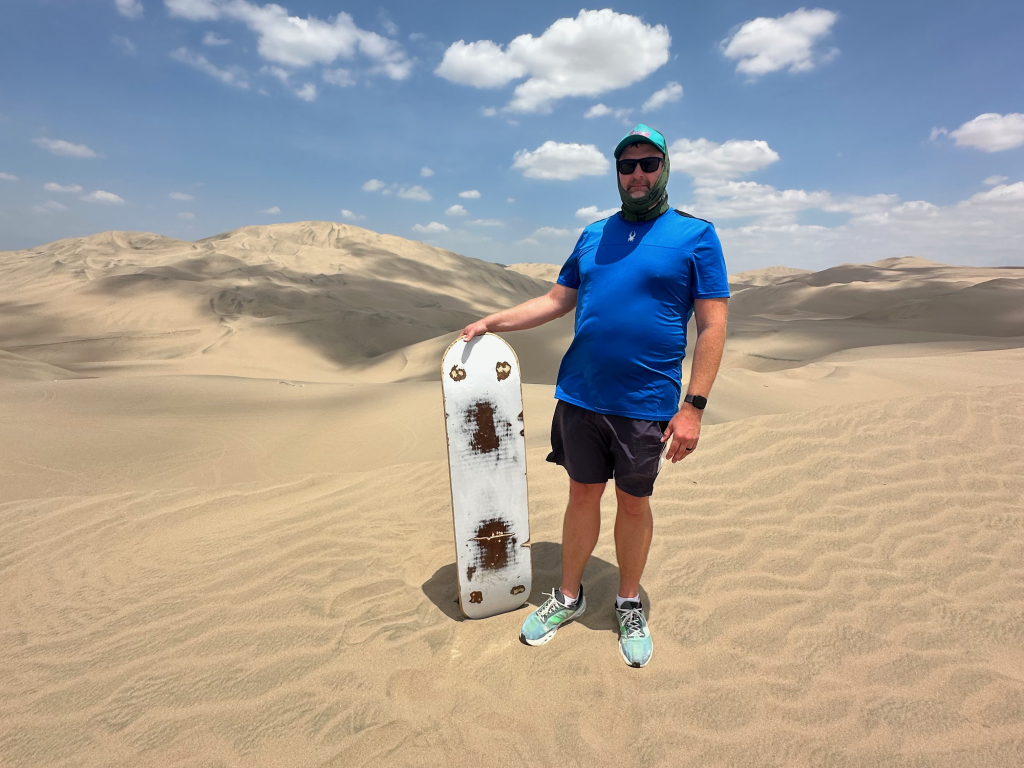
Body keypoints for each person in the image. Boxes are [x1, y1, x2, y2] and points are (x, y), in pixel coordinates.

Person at [459, 124, 729, 668]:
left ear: (664, 168)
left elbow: (713, 324)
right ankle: (569, 595)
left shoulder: (696, 236)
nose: (637, 174)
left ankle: (628, 602)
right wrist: (492, 322)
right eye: (627, 165)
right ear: (617, 173)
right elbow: (556, 301)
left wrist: (693, 407)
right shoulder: (593, 235)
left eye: (648, 163)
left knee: (633, 502)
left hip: (645, 403)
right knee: (581, 494)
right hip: (581, 396)